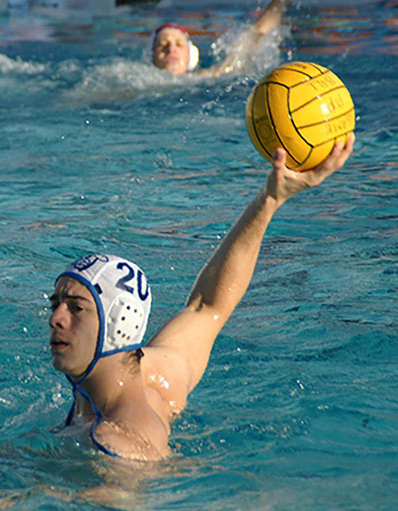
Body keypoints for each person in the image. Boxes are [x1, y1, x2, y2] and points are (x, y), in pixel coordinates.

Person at [48, 136, 354, 462]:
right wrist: (271, 198)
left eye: (76, 308)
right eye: (55, 304)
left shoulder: (116, 444)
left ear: (117, 322)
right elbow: (208, 305)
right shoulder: (159, 372)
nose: (56, 318)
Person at [152, 0, 300, 78]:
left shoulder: (203, 79)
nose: (171, 49)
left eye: (179, 44)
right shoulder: (137, 82)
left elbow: (254, 36)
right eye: (163, 45)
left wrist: (281, 0)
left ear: (191, 56)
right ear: (152, 56)